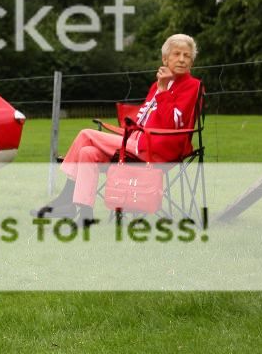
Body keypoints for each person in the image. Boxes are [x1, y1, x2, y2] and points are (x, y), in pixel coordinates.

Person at [33, 34, 202, 222]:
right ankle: (85, 214)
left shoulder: (193, 87)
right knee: (88, 153)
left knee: (86, 135)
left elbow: (173, 123)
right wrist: (159, 90)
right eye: (176, 54)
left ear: (192, 61)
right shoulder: (156, 85)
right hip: (139, 143)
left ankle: (65, 200)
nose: (181, 59)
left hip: (160, 150)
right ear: (165, 59)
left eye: (187, 56)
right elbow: (143, 120)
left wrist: (163, 92)